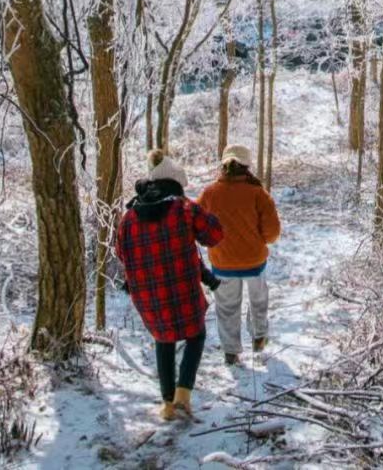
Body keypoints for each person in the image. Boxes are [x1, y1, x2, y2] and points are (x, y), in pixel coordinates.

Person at [116, 151, 223, 421]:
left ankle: (166, 405)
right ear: (175, 184)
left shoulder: (129, 217)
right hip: (183, 290)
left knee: (163, 339)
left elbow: (121, 252)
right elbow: (215, 235)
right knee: (195, 335)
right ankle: (183, 396)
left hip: (148, 296)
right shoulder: (183, 208)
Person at [198, 143, 281, 365]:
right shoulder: (258, 193)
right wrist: (259, 241)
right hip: (254, 261)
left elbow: (197, 226)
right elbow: (273, 232)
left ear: (224, 165)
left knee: (226, 308)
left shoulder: (209, 193)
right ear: (247, 166)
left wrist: (212, 243)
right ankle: (259, 337)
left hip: (222, 263)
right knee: (259, 300)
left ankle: (231, 352)